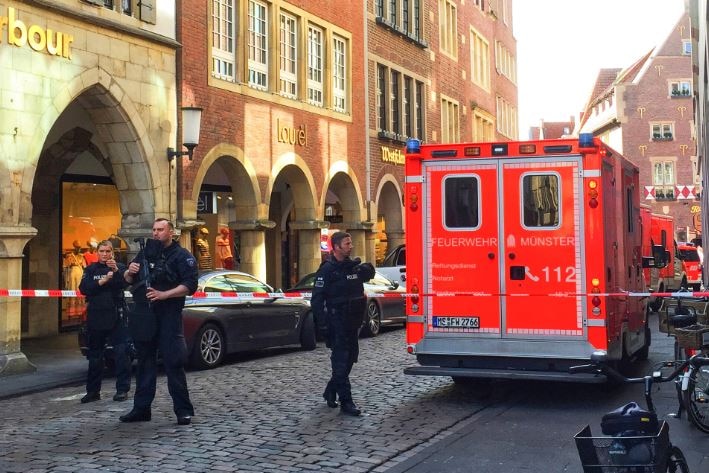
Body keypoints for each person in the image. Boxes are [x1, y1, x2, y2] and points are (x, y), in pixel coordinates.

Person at [120, 218, 198, 425]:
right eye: (154, 229)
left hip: (169, 314)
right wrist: (129, 272)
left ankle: (183, 410)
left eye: (160, 230)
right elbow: (127, 280)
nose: (155, 233)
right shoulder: (146, 252)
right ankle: (141, 409)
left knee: (174, 362)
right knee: (144, 362)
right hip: (146, 315)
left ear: (170, 232)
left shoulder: (182, 256)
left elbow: (190, 285)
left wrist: (165, 295)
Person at [311, 231, 375, 416]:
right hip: (336, 321)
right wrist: (322, 325)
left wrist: (365, 269)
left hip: (352, 321)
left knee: (350, 359)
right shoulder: (327, 270)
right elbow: (317, 299)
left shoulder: (352, 267)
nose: (351, 246)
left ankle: (331, 390)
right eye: (347, 244)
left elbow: (368, 273)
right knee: (340, 362)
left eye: (350, 243)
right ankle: (346, 402)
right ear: (337, 247)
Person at [78, 240, 131, 403]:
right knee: (95, 356)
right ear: (97, 252)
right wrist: (102, 281)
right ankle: (93, 391)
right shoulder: (91, 269)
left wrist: (115, 271)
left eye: (108, 251)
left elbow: (125, 284)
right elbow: (84, 288)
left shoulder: (119, 268)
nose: (104, 254)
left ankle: (122, 390)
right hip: (96, 316)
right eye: (102, 251)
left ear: (112, 253)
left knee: (122, 353)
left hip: (116, 315)